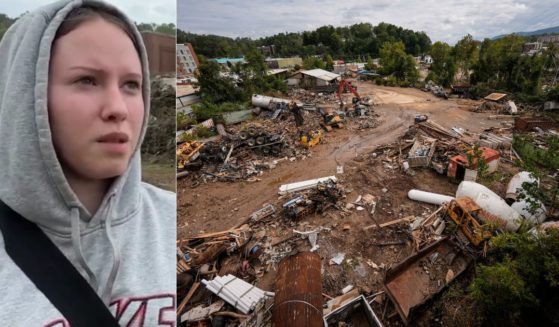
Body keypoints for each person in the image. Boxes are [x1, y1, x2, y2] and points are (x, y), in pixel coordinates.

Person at [0, 1, 176, 325]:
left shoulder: (169, 221)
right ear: (26, 96)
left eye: (130, 85)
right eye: (87, 81)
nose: (117, 108)